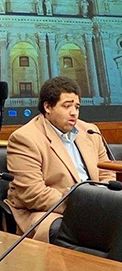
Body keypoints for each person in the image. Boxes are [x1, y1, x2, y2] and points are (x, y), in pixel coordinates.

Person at [5, 77, 115, 243]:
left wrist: (104, 201)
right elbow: (33, 194)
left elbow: (106, 172)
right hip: (46, 212)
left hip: (94, 205)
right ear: (47, 107)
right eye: (67, 106)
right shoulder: (25, 138)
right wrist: (83, 206)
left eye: (77, 106)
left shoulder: (90, 131)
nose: (74, 112)